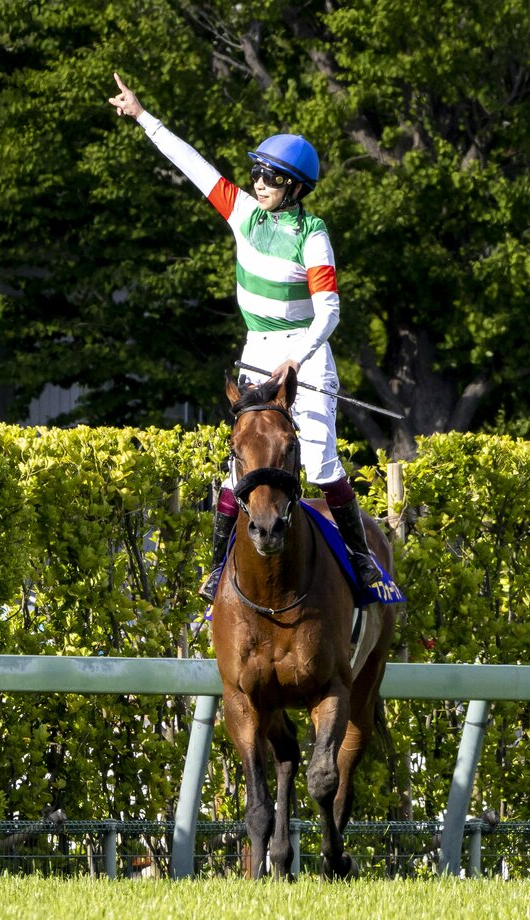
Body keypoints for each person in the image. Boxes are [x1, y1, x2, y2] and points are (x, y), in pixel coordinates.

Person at [108, 73, 383, 600]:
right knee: (242, 461)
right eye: (256, 172)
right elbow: (194, 166)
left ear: (295, 188)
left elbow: (329, 311)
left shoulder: (313, 234)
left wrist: (296, 360)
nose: (258, 183)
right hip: (257, 349)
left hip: (306, 351)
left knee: (321, 460)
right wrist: (143, 117)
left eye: (270, 177)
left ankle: (361, 558)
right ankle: (217, 567)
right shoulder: (243, 213)